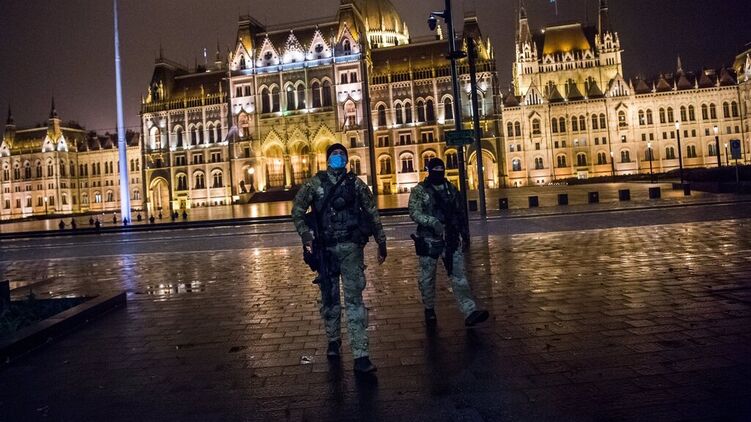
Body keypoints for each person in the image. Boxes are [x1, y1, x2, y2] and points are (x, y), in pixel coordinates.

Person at [291, 143, 387, 373]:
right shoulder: (315, 183)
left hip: (352, 248)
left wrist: (381, 240)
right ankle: (333, 340)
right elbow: (297, 210)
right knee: (329, 298)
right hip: (327, 250)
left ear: (347, 159)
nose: (338, 156)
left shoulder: (356, 183)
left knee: (354, 300)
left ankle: (361, 354)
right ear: (327, 159)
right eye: (334, 154)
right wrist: (306, 235)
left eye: (341, 154)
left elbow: (372, 212)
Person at [408, 158, 489, 327]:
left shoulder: (451, 189)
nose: (439, 172)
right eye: (436, 169)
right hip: (429, 239)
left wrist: (464, 234)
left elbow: (460, 213)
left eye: (441, 168)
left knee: (459, 276)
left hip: (450, 238)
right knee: (427, 277)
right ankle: (429, 309)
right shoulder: (420, 190)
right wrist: (431, 222)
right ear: (429, 171)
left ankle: (469, 311)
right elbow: (414, 212)